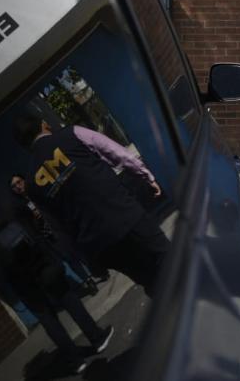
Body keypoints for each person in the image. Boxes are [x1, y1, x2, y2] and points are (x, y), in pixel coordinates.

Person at [13, 114, 168, 295]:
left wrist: (89, 261)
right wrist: (145, 174)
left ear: (24, 146)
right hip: (125, 216)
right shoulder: (72, 134)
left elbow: (59, 229)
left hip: (100, 244)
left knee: (150, 280)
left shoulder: (31, 185)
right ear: (44, 125)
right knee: (167, 255)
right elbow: (115, 151)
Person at [0, 190, 113, 374]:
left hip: (21, 281)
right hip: (43, 265)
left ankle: (76, 361)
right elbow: (35, 226)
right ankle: (97, 338)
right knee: (69, 299)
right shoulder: (9, 207)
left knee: (48, 320)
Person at [10, 174, 101, 294]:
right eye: (14, 186)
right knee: (69, 258)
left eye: (19, 182)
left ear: (24, 180)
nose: (18, 186)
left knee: (78, 249)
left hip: (60, 225)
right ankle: (88, 280)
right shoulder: (20, 206)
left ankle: (97, 270)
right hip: (48, 234)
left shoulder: (37, 190)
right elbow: (28, 226)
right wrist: (35, 219)